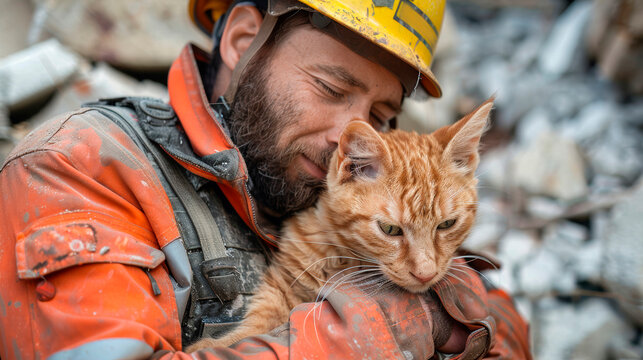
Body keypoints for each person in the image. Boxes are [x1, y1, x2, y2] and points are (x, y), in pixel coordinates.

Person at [0, 0, 532, 358]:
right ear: (242, 40)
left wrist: (474, 322)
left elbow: (505, 318)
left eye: (382, 113)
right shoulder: (80, 166)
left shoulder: (332, 183)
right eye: (329, 87)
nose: (348, 137)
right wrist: (376, 333)